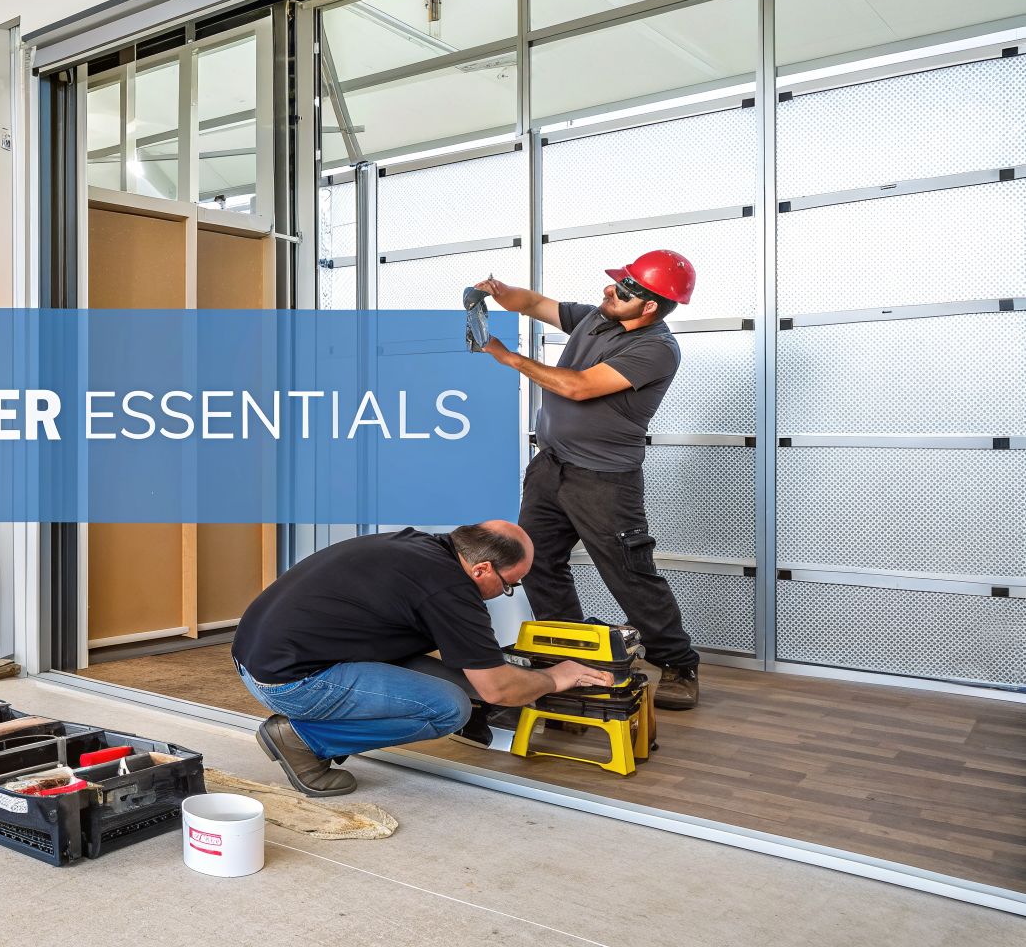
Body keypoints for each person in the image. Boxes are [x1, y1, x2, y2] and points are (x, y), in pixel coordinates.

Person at [471, 249, 702, 710]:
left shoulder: (656, 349)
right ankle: (569, 658)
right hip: (550, 467)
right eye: (617, 281)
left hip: (604, 480)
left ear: (649, 305)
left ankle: (678, 663)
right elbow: (533, 303)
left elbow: (576, 386)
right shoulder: (599, 317)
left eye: (624, 288)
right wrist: (497, 292)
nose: (609, 290)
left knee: (629, 572)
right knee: (534, 560)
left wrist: (506, 357)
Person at [233, 522, 615, 797]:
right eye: (509, 584)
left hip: (260, 657)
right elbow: (496, 689)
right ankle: (303, 739)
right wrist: (557, 677)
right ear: (482, 568)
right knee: (450, 708)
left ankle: (313, 728)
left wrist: (517, 676)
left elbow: (473, 662)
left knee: (464, 682)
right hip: (290, 682)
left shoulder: (420, 547)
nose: (505, 593)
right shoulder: (449, 589)